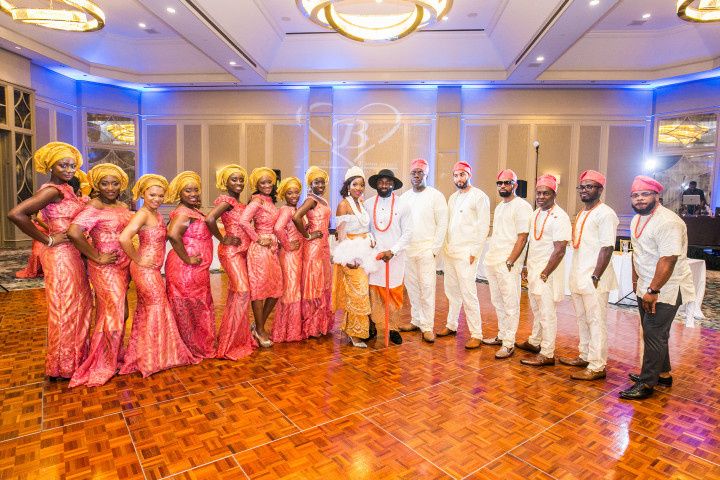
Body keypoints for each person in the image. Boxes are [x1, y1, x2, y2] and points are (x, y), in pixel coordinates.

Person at [7, 142, 93, 379]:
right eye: (62, 164)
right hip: (62, 256)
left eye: (72, 165)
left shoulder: (65, 189)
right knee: (65, 307)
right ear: (51, 166)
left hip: (73, 254)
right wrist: (48, 240)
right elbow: (16, 214)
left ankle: (74, 360)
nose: (68, 169)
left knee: (77, 305)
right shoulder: (52, 190)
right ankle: (63, 365)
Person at [620, 176, 695, 400]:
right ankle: (663, 374)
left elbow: (668, 259)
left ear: (656, 196)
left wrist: (653, 291)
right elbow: (638, 253)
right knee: (655, 333)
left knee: (653, 333)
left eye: (645, 194)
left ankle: (646, 383)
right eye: (635, 195)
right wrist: (636, 281)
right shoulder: (637, 220)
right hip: (647, 285)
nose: (640, 199)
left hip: (666, 287)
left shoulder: (668, 222)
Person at [118, 174, 198, 377]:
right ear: (143, 193)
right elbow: (124, 238)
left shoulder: (156, 214)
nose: (157, 199)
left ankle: (150, 354)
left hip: (153, 269)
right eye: (152, 194)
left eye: (161, 195)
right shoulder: (143, 214)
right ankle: (154, 358)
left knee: (150, 310)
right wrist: (138, 259)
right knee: (156, 307)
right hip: (145, 269)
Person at [67, 163, 133, 387]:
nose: (110, 188)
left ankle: (112, 354)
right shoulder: (94, 207)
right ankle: (103, 362)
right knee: (114, 311)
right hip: (105, 268)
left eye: (114, 183)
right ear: (97, 185)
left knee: (119, 313)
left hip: (123, 266)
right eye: (105, 183)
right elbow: (74, 232)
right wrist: (96, 256)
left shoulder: (122, 205)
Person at [560, 170, 618, 381]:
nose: (584, 190)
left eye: (589, 186)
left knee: (596, 321)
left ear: (600, 190)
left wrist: (595, 276)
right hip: (579, 275)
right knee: (582, 319)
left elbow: (607, 247)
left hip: (594, 279)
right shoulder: (583, 212)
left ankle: (597, 365)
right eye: (582, 187)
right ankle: (585, 355)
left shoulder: (606, 213)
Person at [515, 175, 571, 367]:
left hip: (548, 272)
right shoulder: (535, 213)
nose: (540, 196)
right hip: (533, 269)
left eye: (545, 193)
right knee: (536, 309)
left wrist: (546, 272)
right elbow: (531, 241)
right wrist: (525, 265)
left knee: (547, 313)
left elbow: (560, 249)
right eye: (538, 193)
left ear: (554, 194)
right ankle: (535, 341)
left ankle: (547, 353)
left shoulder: (560, 217)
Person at [206, 165, 256, 360]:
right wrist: (222, 238)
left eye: (241, 179)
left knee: (237, 294)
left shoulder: (239, 202)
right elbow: (210, 219)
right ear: (225, 182)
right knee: (242, 291)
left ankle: (236, 339)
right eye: (234, 179)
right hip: (231, 252)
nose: (238, 183)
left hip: (242, 252)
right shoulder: (226, 201)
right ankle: (230, 343)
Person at [437, 161, 490, 349]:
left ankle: (477, 333)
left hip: (467, 253)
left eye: (462, 175)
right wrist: (444, 248)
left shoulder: (479, 196)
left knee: (468, 293)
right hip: (451, 252)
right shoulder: (453, 198)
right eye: (455, 175)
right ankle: (451, 325)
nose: (459, 178)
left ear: (469, 175)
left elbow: (484, 227)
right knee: (451, 291)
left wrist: (474, 252)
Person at [482, 169, 533, 359]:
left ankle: (509, 343)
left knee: (511, 303)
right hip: (494, 260)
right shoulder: (501, 206)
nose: (503, 186)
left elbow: (523, 237)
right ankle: (502, 335)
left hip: (508, 263)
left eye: (507, 182)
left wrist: (511, 260)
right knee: (498, 302)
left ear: (515, 185)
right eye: (500, 183)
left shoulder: (522, 206)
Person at [165, 171, 216, 358]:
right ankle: (192, 346)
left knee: (195, 306)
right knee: (192, 307)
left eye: (196, 190)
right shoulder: (184, 213)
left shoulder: (192, 210)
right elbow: (172, 235)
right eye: (188, 191)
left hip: (194, 268)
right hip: (186, 269)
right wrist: (187, 259)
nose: (193, 194)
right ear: (180, 193)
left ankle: (194, 343)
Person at [397, 159, 448, 343]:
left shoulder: (436, 196)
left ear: (427, 174)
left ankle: (427, 326)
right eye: (413, 173)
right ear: (410, 175)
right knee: (412, 287)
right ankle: (416, 320)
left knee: (427, 288)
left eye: (420, 172)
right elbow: (400, 224)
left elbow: (442, 223)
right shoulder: (404, 197)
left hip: (427, 249)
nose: (417, 175)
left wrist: (434, 249)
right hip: (408, 250)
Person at [365, 168, 412, 345]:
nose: (384, 185)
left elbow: (408, 233)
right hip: (375, 258)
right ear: (376, 184)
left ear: (393, 184)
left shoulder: (403, 205)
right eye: (381, 182)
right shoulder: (368, 204)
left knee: (393, 293)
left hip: (395, 258)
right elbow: (366, 229)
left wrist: (392, 251)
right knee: (374, 293)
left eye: (388, 182)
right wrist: (370, 244)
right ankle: (375, 326)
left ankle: (392, 328)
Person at [332, 166, 375, 348]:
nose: (358, 188)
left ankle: (353, 330)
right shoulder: (344, 204)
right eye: (355, 184)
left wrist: (370, 238)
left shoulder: (361, 203)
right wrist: (348, 258)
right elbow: (341, 235)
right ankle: (355, 334)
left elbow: (365, 228)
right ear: (348, 186)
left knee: (359, 292)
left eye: (361, 185)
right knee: (359, 292)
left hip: (365, 254)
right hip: (351, 256)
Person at [239, 167, 283, 348]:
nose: (266, 185)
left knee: (276, 289)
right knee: (259, 290)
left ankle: (258, 326)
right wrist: (258, 238)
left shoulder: (269, 202)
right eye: (262, 182)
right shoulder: (256, 201)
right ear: (256, 185)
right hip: (259, 250)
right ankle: (260, 329)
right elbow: (243, 221)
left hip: (271, 249)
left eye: (269, 182)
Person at [293, 166, 333, 338]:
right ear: (310, 184)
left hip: (323, 246)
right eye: (317, 182)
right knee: (314, 285)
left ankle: (320, 324)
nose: (320, 185)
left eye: (322, 182)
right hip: (314, 248)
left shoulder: (322, 200)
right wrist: (307, 234)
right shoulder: (311, 200)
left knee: (322, 284)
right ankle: (311, 326)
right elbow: (296, 217)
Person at [273, 177, 305, 342]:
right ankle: (288, 332)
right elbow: (277, 228)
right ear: (284, 195)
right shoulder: (286, 209)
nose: (294, 195)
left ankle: (290, 329)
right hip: (290, 256)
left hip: (297, 255)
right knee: (291, 292)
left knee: (293, 290)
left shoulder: (296, 208)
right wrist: (286, 245)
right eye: (289, 192)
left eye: (296, 192)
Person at [15, 212, 47, 279]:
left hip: (47, 235)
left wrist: (37, 220)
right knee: (36, 253)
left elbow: (49, 228)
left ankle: (45, 269)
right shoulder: (41, 211)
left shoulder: (53, 212)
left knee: (39, 253)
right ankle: (37, 269)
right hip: (40, 235)